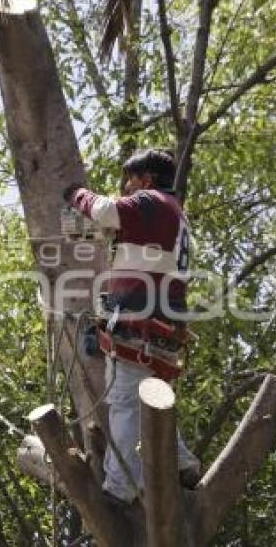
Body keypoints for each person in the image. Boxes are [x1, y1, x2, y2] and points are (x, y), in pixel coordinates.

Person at [63, 149, 201, 504]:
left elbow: (105, 210)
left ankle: (119, 490)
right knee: (143, 400)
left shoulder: (152, 202)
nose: (126, 188)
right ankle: (183, 462)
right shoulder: (174, 215)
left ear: (148, 179)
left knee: (125, 403)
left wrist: (77, 194)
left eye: (130, 180)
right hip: (158, 325)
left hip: (141, 326)